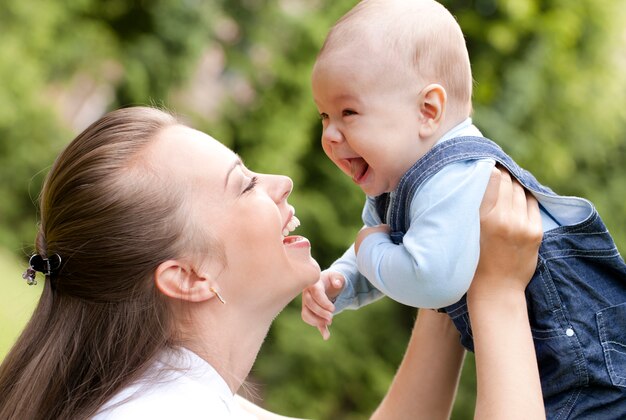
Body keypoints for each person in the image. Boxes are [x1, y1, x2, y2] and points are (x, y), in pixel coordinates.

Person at [0, 106, 542, 419]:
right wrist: (497, 296)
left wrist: (441, 267)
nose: (280, 183)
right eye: (245, 184)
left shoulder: (167, 394)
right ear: (188, 276)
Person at [301, 0, 626, 418]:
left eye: (348, 112)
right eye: (324, 115)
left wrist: (368, 249)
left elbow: (429, 279)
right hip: (554, 369)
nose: (329, 134)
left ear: (427, 111)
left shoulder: (452, 177)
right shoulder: (402, 180)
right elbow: (389, 250)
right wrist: (345, 281)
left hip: (591, 370)